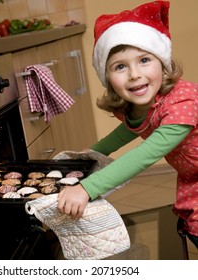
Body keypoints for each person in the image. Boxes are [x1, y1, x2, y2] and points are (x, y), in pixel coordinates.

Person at [57, 1, 198, 248]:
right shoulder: (140, 106)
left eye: (144, 60)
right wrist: (91, 155)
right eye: (120, 66)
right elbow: (129, 130)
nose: (134, 74)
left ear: (163, 64)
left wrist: (87, 188)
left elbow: (145, 154)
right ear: (108, 78)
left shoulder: (182, 102)